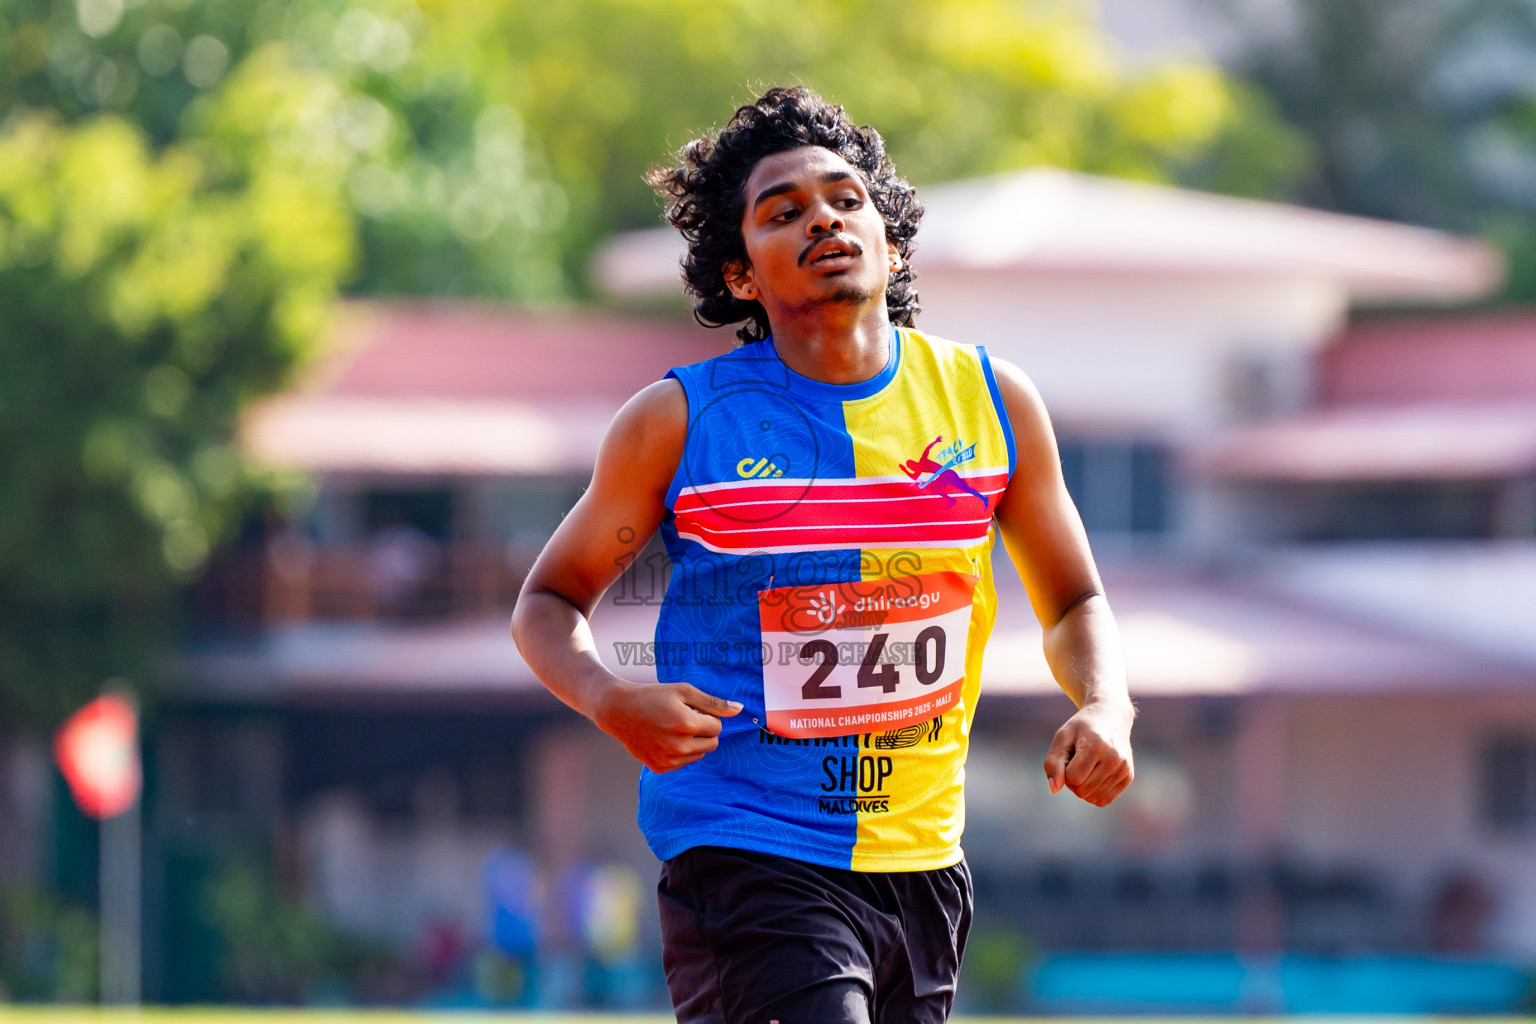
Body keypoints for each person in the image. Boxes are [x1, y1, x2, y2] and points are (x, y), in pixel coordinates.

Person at [511, 86, 1135, 1024]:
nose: (824, 221)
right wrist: (611, 698)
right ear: (739, 276)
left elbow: (1074, 599)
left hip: (923, 862)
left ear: (891, 239)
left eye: (846, 200)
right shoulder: (680, 422)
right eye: (783, 212)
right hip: (746, 851)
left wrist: (1107, 704)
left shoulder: (992, 403)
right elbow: (549, 602)